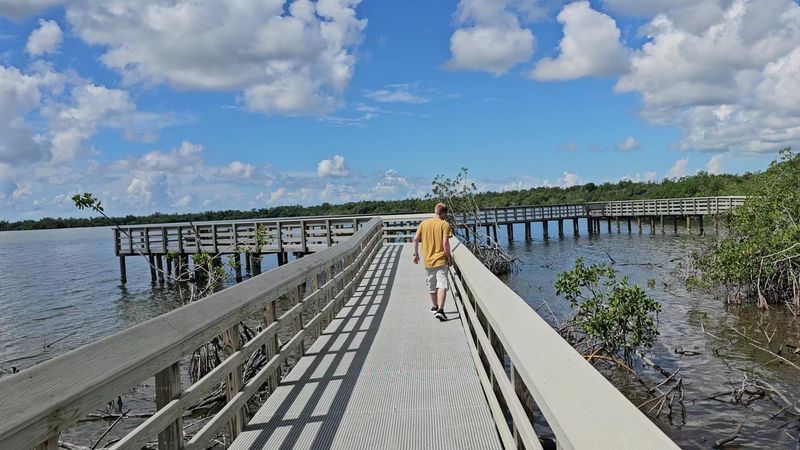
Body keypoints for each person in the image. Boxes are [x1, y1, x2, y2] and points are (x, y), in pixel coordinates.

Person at [412, 202, 453, 321]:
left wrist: (415, 254)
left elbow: (415, 239)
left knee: (432, 286)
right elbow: (445, 243)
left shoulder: (424, 223)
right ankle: (441, 310)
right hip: (441, 261)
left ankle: (434, 307)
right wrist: (449, 257)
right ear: (444, 213)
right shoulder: (444, 224)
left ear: (435, 211)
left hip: (428, 261)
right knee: (442, 285)